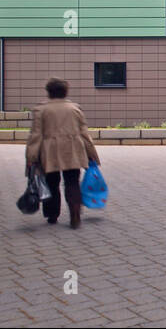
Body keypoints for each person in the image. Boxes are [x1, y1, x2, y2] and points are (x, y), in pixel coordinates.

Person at [25, 78, 100, 229]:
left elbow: (36, 135)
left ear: (49, 92)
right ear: (65, 92)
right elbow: (84, 133)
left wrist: (31, 157)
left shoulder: (41, 110)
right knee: (72, 182)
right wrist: (92, 154)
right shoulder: (75, 108)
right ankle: (75, 213)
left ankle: (52, 215)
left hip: (50, 151)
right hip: (73, 149)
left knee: (52, 182)